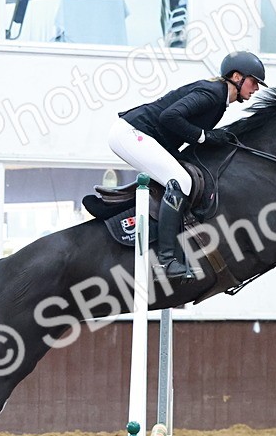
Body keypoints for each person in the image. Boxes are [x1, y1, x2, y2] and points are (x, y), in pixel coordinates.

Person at [109, 50, 267, 279]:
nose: (256, 89)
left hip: (146, 136)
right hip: (131, 134)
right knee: (180, 181)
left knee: (185, 177)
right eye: (254, 82)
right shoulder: (213, 93)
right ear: (236, 77)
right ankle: (166, 261)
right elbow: (169, 117)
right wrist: (205, 136)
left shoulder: (219, 99)